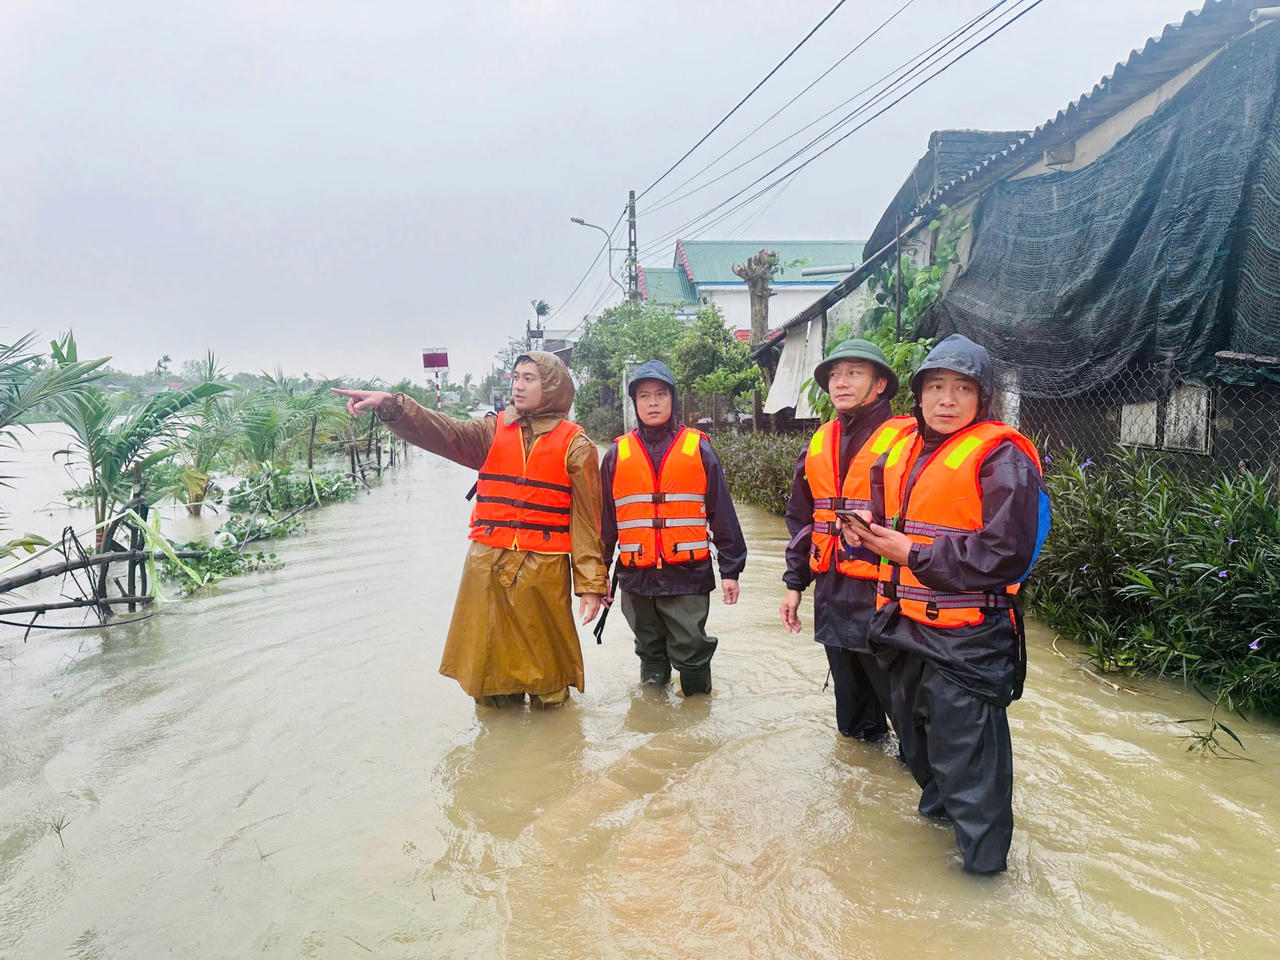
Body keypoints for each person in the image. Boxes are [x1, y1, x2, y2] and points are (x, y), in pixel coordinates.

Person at [841, 334, 1050, 875]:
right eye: (936, 387)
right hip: (904, 626)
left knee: (970, 768)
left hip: (969, 638)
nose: (947, 400)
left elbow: (1005, 554)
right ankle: (938, 838)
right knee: (923, 754)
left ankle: (983, 881)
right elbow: (887, 524)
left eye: (962, 389)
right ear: (919, 395)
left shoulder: (1002, 457)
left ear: (983, 399)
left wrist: (912, 552)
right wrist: (861, 536)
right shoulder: (905, 450)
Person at [333, 351, 607, 708]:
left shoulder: (577, 446)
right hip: (486, 567)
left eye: (530, 378)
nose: (518, 385)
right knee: (489, 674)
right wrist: (393, 406)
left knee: (548, 678)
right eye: (516, 376)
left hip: (544, 571)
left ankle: (554, 746)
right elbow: (442, 432)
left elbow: (587, 522)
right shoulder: (490, 431)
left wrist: (590, 586)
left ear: (552, 386)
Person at [779, 339, 917, 741]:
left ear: (879, 385)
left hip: (888, 598)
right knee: (855, 729)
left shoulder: (907, 439)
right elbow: (802, 519)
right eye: (835, 375)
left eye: (854, 373)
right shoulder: (819, 441)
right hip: (833, 596)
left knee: (910, 722)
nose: (841, 382)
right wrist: (794, 584)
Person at [599, 360, 747, 696]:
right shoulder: (615, 454)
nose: (652, 403)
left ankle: (697, 719)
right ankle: (654, 726)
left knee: (692, 650)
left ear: (673, 400)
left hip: (687, 574)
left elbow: (722, 512)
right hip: (636, 577)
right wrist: (600, 576)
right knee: (649, 652)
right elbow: (606, 524)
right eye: (644, 396)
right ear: (635, 403)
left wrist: (730, 571)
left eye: (660, 395)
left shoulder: (699, 448)